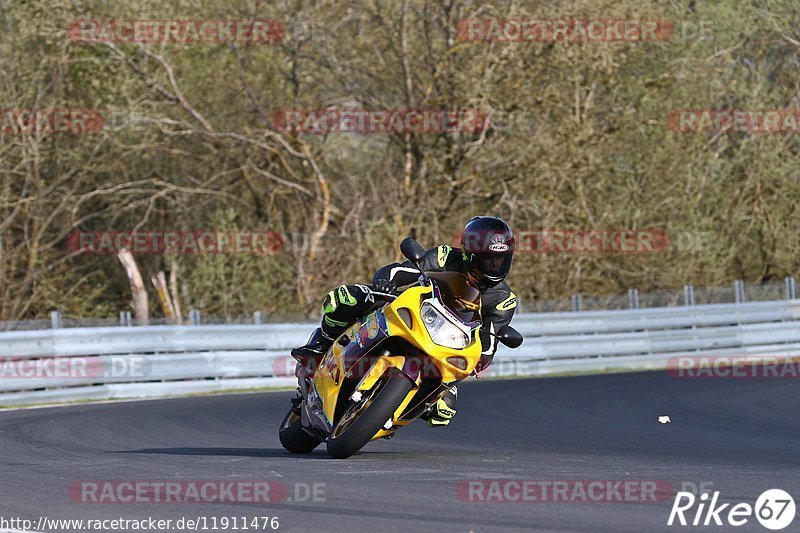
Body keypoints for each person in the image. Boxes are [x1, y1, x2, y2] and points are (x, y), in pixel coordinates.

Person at [291, 216, 517, 426]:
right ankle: (321, 345)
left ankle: (400, 411)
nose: (495, 265)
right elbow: (405, 269)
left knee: (444, 409)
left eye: (501, 259)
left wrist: (478, 358)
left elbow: (485, 350)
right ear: (470, 254)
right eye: (489, 259)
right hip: (413, 312)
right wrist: (385, 282)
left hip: (445, 344)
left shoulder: (504, 300)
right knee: (346, 298)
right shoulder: (445, 256)